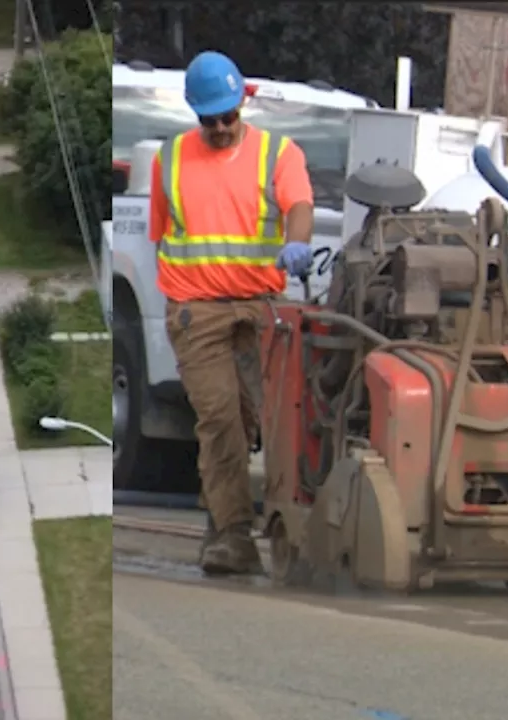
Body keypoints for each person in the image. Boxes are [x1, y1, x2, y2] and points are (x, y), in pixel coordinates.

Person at [149, 50, 315, 576]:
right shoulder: (169, 159)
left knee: (257, 420)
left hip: (259, 307)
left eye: (228, 116)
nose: (220, 128)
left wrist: (299, 242)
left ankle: (224, 522)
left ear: (243, 102)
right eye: (209, 119)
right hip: (196, 313)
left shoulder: (277, 154)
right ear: (195, 113)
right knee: (220, 419)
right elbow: (162, 233)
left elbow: (300, 206)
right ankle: (234, 538)